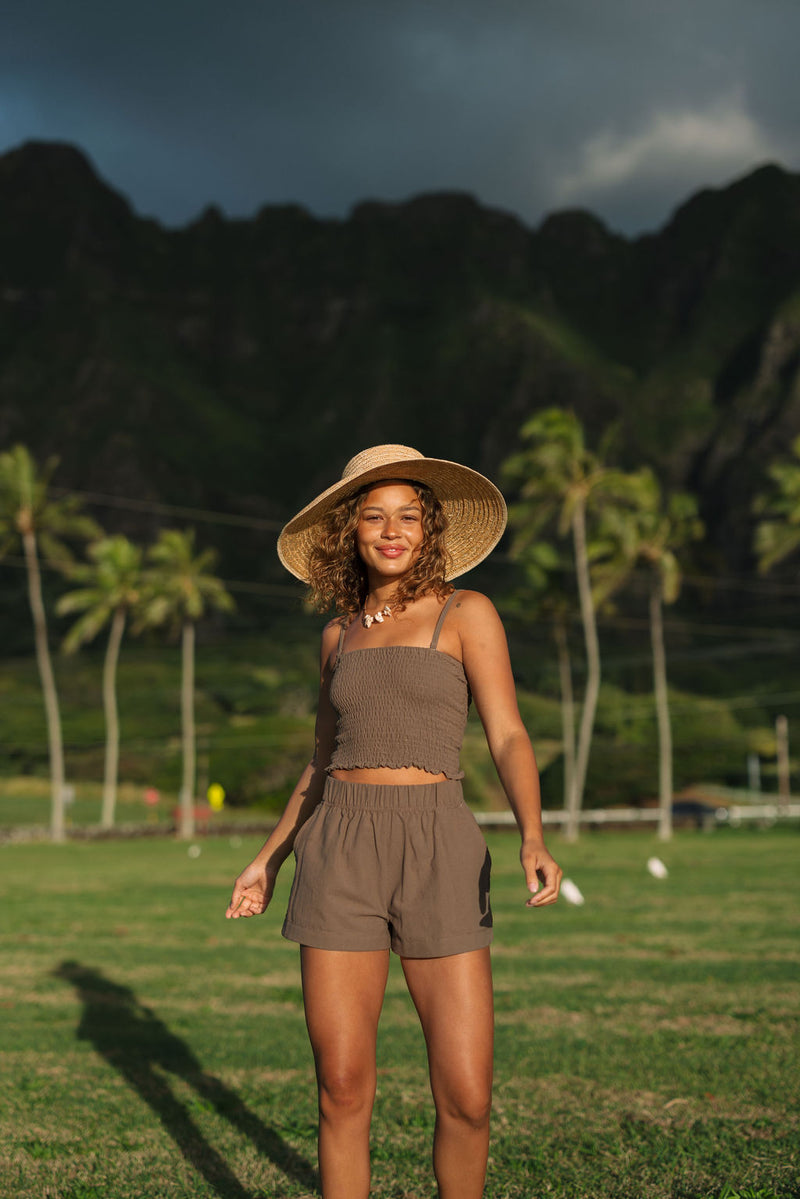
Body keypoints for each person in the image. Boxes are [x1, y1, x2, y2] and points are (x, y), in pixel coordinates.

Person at [226, 444, 562, 1199]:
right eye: (374, 515)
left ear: (429, 527)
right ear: (351, 530)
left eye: (408, 515)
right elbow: (321, 759)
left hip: (439, 842)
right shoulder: (337, 635)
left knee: (468, 1095)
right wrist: (269, 858)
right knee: (342, 1089)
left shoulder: (465, 612)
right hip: (339, 849)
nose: (391, 530)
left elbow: (507, 733)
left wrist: (532, 835)